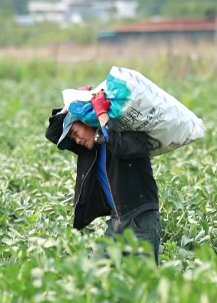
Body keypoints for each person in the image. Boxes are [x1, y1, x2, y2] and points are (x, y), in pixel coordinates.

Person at [45, 86, 161, 264]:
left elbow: (120, 147)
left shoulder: (131, 134)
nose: (76, 140)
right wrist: (69, 106)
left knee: (143, 281)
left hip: (140, 219)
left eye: (75, 133)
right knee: (97, 273)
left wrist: (101, 114)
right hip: (117, 219)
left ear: (88, 123)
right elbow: (53, 133)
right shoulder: (92, 147)